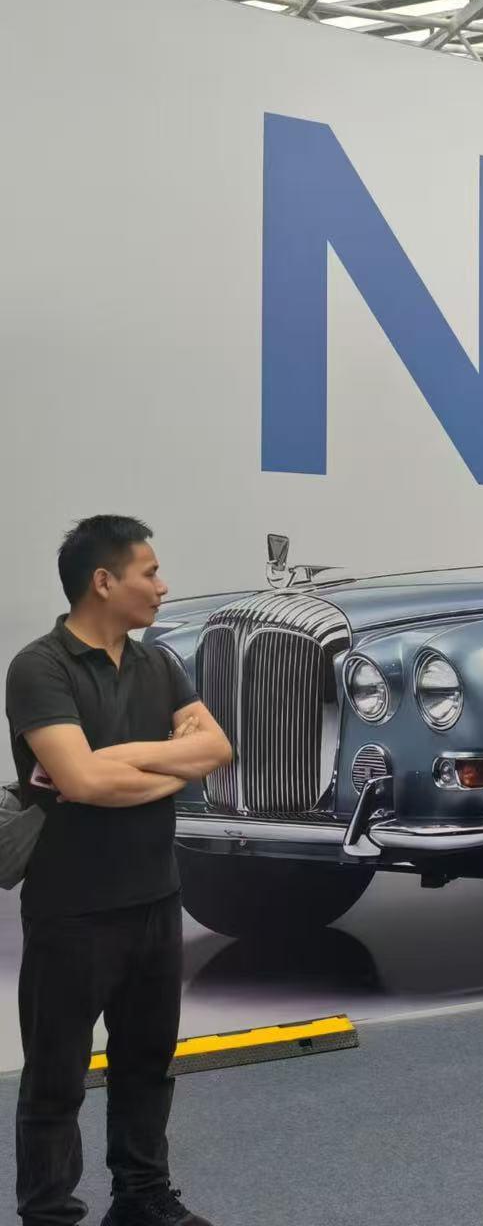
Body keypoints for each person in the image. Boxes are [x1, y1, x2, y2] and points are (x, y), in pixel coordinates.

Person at [5, 517, 232, 1226]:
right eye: (149, 572)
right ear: (104, 582)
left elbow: (217, 749)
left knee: (146, 1065)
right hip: (72, 909)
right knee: (55, 1080)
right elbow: (80, 780)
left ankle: (141, 1199)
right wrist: (168, 765)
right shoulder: (40, 667)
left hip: (156, 899)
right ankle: (49, 1215)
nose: (162, 587)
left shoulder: (158, 663)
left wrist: (119, 762)